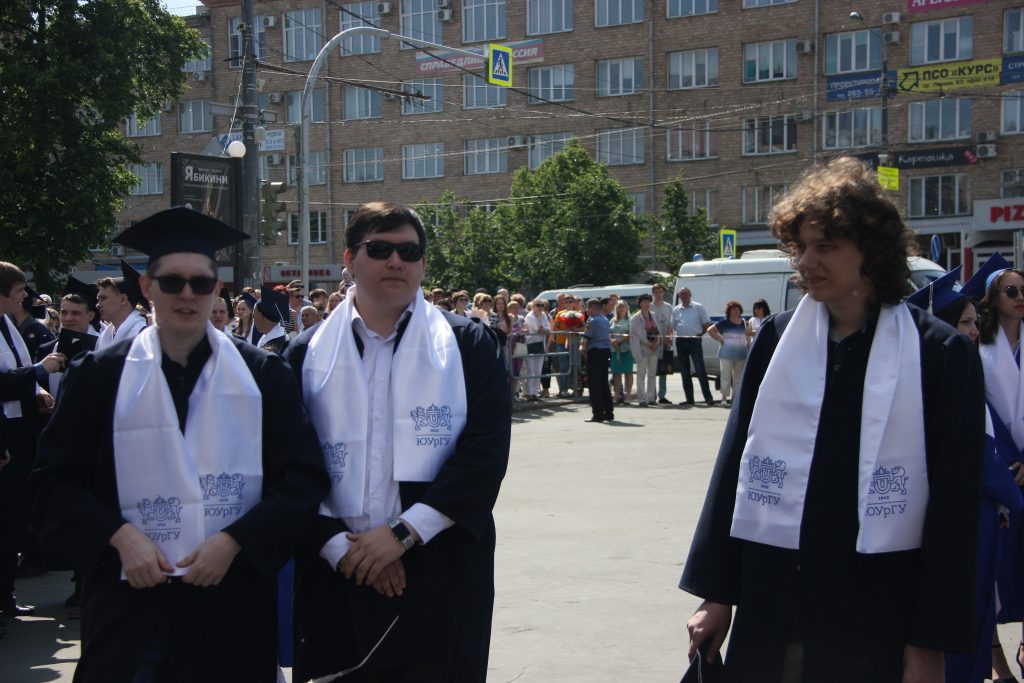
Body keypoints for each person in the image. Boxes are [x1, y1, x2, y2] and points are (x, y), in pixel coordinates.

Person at [681, 157, 985, 683]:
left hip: (877, 612)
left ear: (871, 251)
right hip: (776, 604)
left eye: (825, 246)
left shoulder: (938, 354)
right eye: (800, 247)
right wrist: (717, 594)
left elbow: (954, 512)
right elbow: (737, 467)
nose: (806, 261)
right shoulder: (778, 340)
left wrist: (928, 642)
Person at [28, 206, 329, 682]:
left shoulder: (262, 376)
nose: (187, 294)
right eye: (172, 282)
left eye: (201, 283)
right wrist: (118, 537)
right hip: (128, 605)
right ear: (147, 288)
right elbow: (53, 485)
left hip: (229, 606)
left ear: (217, 288)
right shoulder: (100, 377)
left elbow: (302, 479)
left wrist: (235, 541)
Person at [285, 202, 511, 682]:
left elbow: (485, 455)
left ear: (423, 264)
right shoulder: (305, 353)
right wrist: (342, 548)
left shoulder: (467, 345)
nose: (395, 261)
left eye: (409, 252)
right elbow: (287, 463)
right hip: (335, 566)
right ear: (350, 259)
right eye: (380, 249)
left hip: (438, 566)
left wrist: (400, 535)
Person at [908, 263, 1023, 683]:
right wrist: (1007, 492)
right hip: (960, 513)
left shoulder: (956, 366)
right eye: (965, 323)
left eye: (975, 323)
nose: (973, 331)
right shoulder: (941, 372)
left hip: (981, 504)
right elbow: (976, 446)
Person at [0, 263, 63, 624]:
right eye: (18, 290)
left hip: (19, 430)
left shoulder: (9, 324)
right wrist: (41, 371)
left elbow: (16, 370)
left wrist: (36, 389)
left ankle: (5, 593)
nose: (24, 296)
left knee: (13, 518)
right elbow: (3, 381)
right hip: (4, 435)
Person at [672, 287, 715, 406]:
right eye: (681, 294)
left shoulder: (698, 307)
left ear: (690, 295)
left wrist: (699, 335)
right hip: (681, 341)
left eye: (686, 293)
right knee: (685, 372)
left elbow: (706, 324)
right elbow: (673, 326)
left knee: (700, 370)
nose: (684, 296)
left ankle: (708, 398)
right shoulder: (676, 310)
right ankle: (689, 399)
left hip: (694, 341)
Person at [94, 261, 149, 351]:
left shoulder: (143, 336)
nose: (98, 305)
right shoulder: (104, 337)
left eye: (103, 298)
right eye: (98, 299)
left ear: (123, 299)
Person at [707, 301, 749, 406]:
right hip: (726, 354)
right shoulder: (724, 322)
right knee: (725, 376)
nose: (736, 311)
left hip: (741, 354)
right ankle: (724, 398)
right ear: (729, 311)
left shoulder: (744, 322)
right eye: (734, 309)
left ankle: (735, 399)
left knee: (738, 378)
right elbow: (710, 330)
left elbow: (748, 336)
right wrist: (719, 339)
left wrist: (749, 346)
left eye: (738, 309)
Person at [579, 298, 613, 422]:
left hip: (595, 352)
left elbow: (586, 337)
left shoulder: (592, 320)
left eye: (588, 307)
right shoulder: (605, 319)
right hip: (605, 351)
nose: (587, 310)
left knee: (594, 384)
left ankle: (598, 413)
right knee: (604, 383)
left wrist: (582, 348)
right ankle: (609, 412)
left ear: (593, 308)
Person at [629, 293, 659, 407]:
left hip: (654, 348)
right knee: (641, 374)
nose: (646, 304)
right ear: (640, 303)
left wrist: (657, 342)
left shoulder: (653, 315)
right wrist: (648, 343)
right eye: (644, 302)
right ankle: (641, 399)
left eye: (648, 301)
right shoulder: (636, 317)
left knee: (652, 374)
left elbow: (658, 330)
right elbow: (637, 334)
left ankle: (650, 398)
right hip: (642, 348)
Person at [650, 283, 674, 405]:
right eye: (656, 292)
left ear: (663, 293)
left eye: (660, 292)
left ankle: (662, 395)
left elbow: (671, 324)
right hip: (653, 343)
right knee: (653, 370)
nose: (658, 294)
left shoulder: (668, 307)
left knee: (663, 370)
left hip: (664, 342)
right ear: (653, 293)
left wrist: (669, 336)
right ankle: (652, 395)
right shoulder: (649, 307)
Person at [522, 300, 549, 402]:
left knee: (538, 370)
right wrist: (543, 330)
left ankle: (535, 392)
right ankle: (529, 393)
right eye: (538, 305)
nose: (540, 307)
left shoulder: (544, 315)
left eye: (542, 305)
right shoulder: (530, 316)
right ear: (533, 306)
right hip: (530, 344)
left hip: (540, 344)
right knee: (531, 370)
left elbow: (548, 329)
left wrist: (543, 330)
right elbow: (537, 329)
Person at [252, 286, 289, 354]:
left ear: (261, 317)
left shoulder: (272, 348)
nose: (253, 319)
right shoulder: (281, 337)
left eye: (254, 315)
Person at [610, 301, 634, 404]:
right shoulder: (612, 320)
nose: (621, 309)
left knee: (628, 373)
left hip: (626, 350)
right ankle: (617, 395)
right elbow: (610, 333)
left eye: (623, 307)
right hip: (615, 350)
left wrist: (619, 342)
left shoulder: (630, 320)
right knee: (616, 373)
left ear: (626, 309)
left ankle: (628, 395)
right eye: (619, 307)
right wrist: (613, 341)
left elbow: (630, 333)